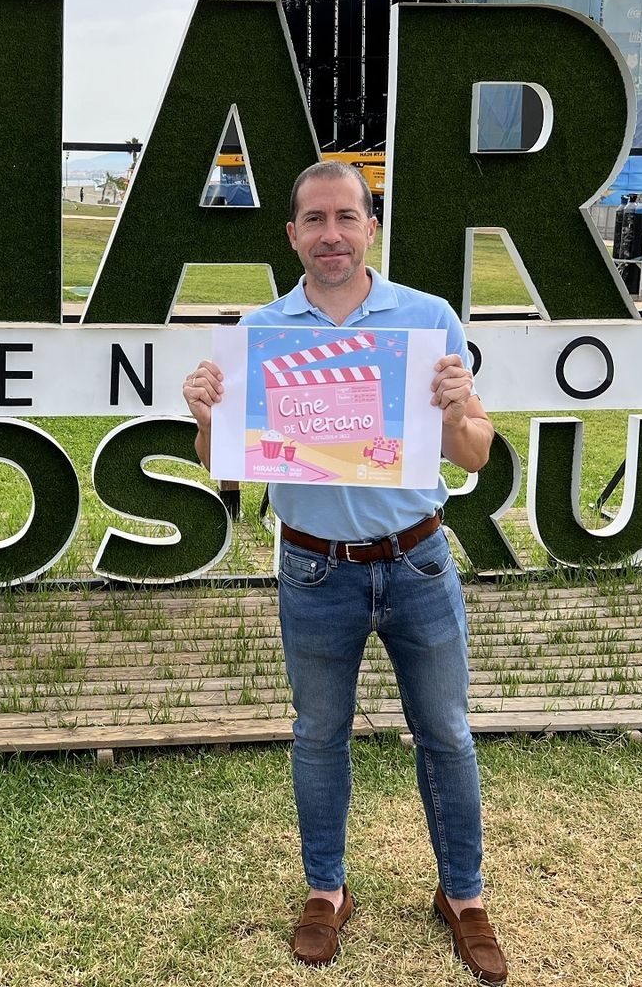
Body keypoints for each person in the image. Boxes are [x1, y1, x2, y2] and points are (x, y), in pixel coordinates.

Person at [181, 161, 507, 983]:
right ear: (292, 234)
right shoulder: (262, 332)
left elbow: (472, 455)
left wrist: (462, 407)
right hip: (313, 570)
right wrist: (208, 418)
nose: (332, 233)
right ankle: (327, 890)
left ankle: (463, 897)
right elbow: (227, 466)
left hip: (419, 561)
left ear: (370, 228)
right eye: (315, 219)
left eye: (347, 217)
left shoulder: (426, 319)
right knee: (318, 736)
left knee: (448, 734)